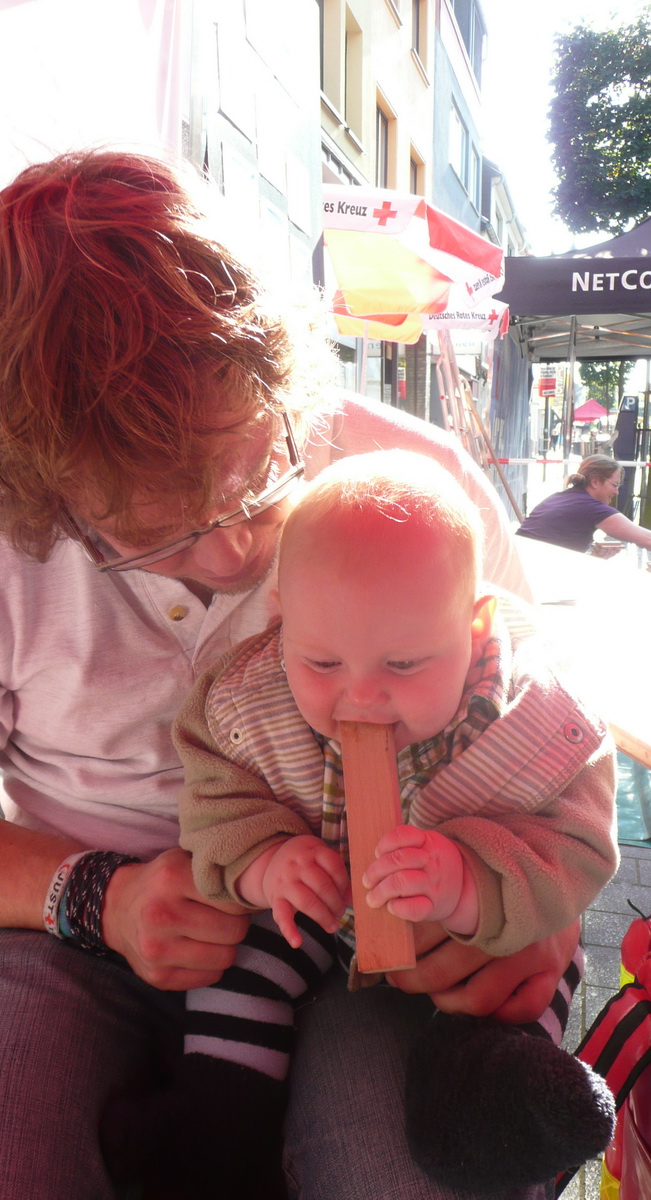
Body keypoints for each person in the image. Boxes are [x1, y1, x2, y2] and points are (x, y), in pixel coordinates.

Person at [0, 146, 583, 1200]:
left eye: (259, 476)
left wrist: (544, 909)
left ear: (278, 367)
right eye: (158, 532)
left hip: (372, 926)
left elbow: (537, 730)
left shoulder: (415, 490)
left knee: (398, 1175)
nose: (234, 553)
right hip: (81, 926)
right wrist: (94, 896)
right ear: (45, 494)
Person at [148, 449, 616, 1197]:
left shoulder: (537, 720)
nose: (360, 697)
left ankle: (491, 1112)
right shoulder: (245, 705)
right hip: (319, 911)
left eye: (403, 665)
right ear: (281, 621)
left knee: (519, 992)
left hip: (481, 939)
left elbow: (579, 847)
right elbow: (213, 808)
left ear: (476, 625)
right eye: (322, 664)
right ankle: (219, 1120)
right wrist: (265, 862)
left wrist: (468, 883)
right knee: (240, 961)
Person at [517, 454, 651, 554]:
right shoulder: (591, 508)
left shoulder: (558, 497)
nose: (616, 492)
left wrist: (594, 558)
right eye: (614, 485)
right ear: (595, 482)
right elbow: (647, 539)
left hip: (519, 565)